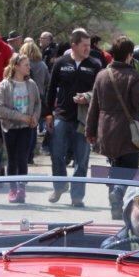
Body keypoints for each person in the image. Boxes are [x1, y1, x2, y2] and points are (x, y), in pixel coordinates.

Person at [86, 36, 139, 216]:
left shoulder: (102, 75)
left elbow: (94, 106)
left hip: (106, 128)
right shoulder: (132, 76)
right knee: (130, 169)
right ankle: (120, 193)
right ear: (129, 55)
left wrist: (90, 131)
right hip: (127, 130)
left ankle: (114, 204)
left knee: (113, 168)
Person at [45, 28, 101, 206]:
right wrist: (47, 114)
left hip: (85, 118)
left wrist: (88, 97)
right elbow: (51, 90)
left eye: (89, 45)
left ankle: (77, 196)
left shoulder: (95, 65)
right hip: (62, 115)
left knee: (81, 159)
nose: (87, 49)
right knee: (57, 153)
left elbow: (100, 91)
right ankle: (59, 186)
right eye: (84, 45)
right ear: (73, 45)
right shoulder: (61, 63)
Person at [0, 53, 41, 203]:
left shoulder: (31, 84)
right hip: (9, 127)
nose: (29, 67)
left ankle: (22, 188)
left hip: (26, 127)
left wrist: (34, 117)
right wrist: (19, 116)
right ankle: (12, 188)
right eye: (26, 65)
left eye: (29, 65)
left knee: (23, 157)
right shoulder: (4, 85)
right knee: (12, 158)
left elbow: (37, 104)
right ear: (16, 67)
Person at [20, 40, 48, 163]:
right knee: (33, 127)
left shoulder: (23, 65)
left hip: (24, 96)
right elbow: (48, 81)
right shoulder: (43, 65)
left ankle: (24, 153)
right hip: (39, 97)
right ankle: (30, 155)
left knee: (23, 126)